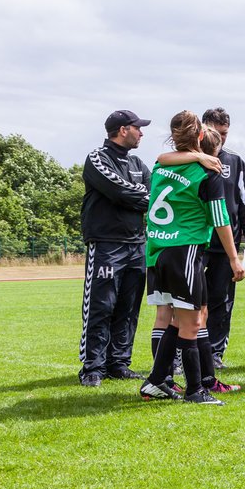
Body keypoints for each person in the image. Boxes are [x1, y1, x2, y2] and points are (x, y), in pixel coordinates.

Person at [139, 112, 245, 406]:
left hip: (158, 252)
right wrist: (235, 259)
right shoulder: (206, 174)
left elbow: (163, 158)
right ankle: (196, 391)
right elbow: (221, 221)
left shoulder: (162, 166)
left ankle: (156, 381)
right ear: (201, 137)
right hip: (184, 251)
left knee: (175, 319)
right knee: (192, 323)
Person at [78, 109, 151, 387]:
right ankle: (92, 367)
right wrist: (139, 196)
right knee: (101, 305)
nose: (141, 132)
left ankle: (119, 363)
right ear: (123, 130)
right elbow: (120, 191)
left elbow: (151, 194)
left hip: (137, 244)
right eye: (137, 127)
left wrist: (139, 197)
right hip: (106, 244)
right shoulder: (97, 158)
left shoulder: (137, 163)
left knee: (129, 306)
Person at [200, 108, 245, 370]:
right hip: (196, 242)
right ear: (202, 129)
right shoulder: (188, 159)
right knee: (188, 301)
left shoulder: (235, 161)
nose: (221, 139)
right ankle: (182, 354)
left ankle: (214, 353)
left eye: (224, 134)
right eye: (216, 133)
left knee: (222, 301)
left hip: (229, 245)